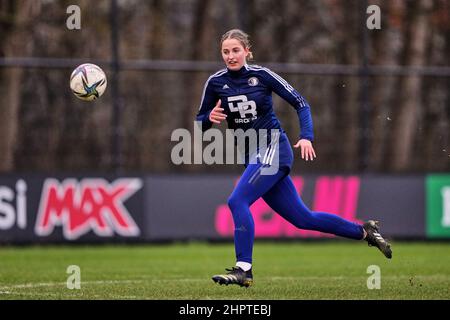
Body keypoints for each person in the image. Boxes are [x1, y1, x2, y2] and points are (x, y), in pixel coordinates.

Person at [196, 29, 392, 288]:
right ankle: (365, 231)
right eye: (225, 51)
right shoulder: (215, 82)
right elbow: (200, 123)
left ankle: (244, 269)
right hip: (253, 155)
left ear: (247, 51)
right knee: (303, 219)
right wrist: (209, 120)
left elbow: (301, 103)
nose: (230, 56)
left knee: (237, 200)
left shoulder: (262, 75)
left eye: (235, 50)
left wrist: (307, 136)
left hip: (274, 147)